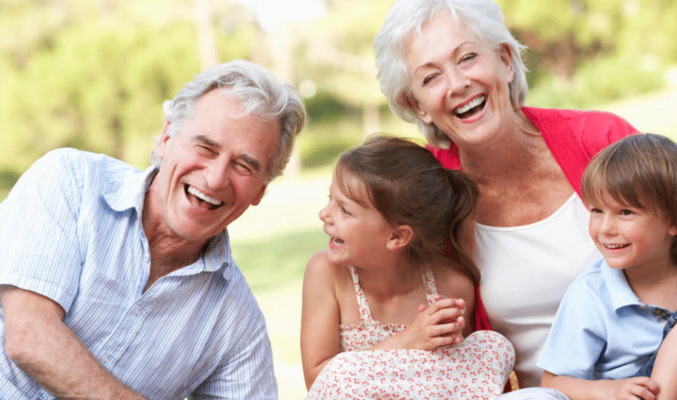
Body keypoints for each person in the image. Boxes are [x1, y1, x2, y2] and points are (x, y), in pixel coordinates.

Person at [0, 60, 306, 399]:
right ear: (165, 137)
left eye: (243, 166)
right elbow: (28, 337)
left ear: (260, 190)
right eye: (206, 147)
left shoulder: (237, 325)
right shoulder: (70, 181)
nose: (216, 178)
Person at [373, 0, 638, 388]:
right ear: (417, 106)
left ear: (506, 61)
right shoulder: (424, 198)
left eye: (466, 58)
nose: (457, 83)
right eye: (430, 78)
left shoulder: (603, 141)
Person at [301, 135, 516, 399]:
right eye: (330, 199)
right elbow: (319, 380)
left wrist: (448, 347)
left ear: (397, 237)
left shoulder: (450, 286)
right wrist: (408, 340)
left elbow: (456, 380)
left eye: (344, 210)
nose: (325, 214)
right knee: (338, 373)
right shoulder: (326, 273)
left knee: (492, 346)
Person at [538, 134, 677, 400]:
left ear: (673, 221)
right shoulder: (592, 293)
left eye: (625, 212)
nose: (605, 229)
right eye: (597, 210)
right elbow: (552, 383)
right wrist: (606, 390)